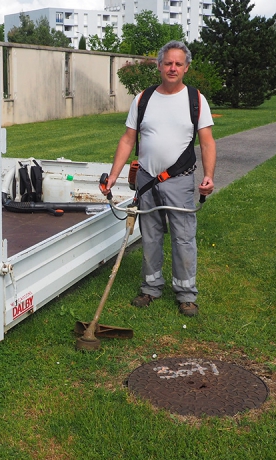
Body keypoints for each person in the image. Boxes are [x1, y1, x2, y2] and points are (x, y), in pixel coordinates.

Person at [100, 40, 216, 317]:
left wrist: (209, 176)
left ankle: (186, 294)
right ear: (159, 66)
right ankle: (150, 288)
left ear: (186, 68)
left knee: (183, 237)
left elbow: (208, 142)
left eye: (178, 63)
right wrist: (114, 175)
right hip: (146, 179)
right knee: (150, 236)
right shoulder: (143, 99)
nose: (172, 68)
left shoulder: (195, 100)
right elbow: (128, 140)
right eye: (168, 63)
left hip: (180, 181)